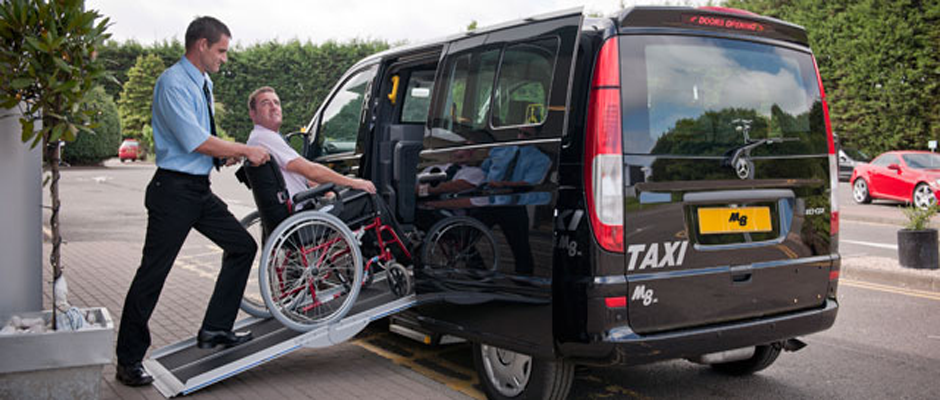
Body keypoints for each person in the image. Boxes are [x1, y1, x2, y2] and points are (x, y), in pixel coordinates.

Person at [115, 16, 271, 387]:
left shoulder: (203, 82)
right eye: (221, 51)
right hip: (173, 192)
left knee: (242, 246)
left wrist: (222, 156)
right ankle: (128, 360)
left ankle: (216, 328)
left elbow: (203, 139)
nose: (224, 58)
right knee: (153, 273)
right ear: (201, 45)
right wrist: (244, 149)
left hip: (198, 190)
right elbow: (195, 140)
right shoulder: (173, 83)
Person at [245, 86, 375, 200]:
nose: (274, 107)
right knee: (367, 197)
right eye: (265, 103)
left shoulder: (261, 137)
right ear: (253, 113)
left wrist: (324, 190)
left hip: (301, 204)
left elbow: (299, 176)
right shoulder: (265, 137)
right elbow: (311, 171)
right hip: (302, 208)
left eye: (276, 103)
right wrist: (353, 182)